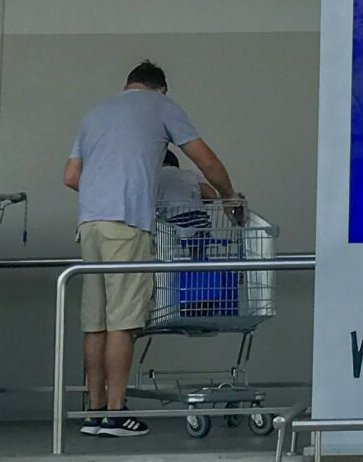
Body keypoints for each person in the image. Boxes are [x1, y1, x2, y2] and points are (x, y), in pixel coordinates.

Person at [64, 61, 235, 438]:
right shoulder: (161, 107)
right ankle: (116, 413)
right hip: (125, 224)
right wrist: (228, 196)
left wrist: (103, 196)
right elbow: (205, 159)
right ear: (161, 89)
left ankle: (92, 413)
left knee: (96, 324)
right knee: (124, 322)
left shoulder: (95, 114)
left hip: (90, 224)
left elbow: (71, 176)